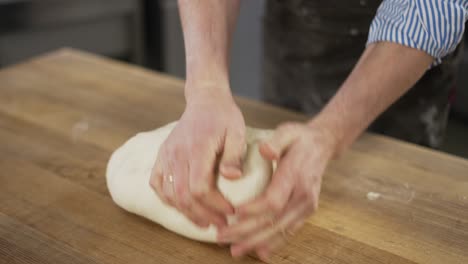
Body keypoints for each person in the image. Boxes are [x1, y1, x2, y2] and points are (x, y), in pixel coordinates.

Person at [150, 0, 467, 261]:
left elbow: (428, 10)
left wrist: (330, 133)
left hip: (401, 61)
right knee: (275, 162)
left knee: (393, 202)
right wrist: (206, 86)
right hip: (297, 30)